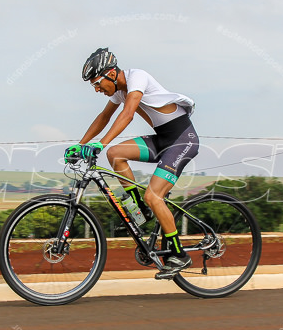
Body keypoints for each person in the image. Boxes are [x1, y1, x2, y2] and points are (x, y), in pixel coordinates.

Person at [68, 48, 199, 279]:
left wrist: (100, 144)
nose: (97, 89)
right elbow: (104, 117)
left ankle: (179, 254)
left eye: (97, 83)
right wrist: (80, 145)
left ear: (110, 73)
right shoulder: (119, 91)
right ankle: (140, 208)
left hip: (181, 140)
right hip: (162, 139)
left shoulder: (137, 77)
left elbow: (127, 115)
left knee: (153, 196)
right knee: (116, 154)